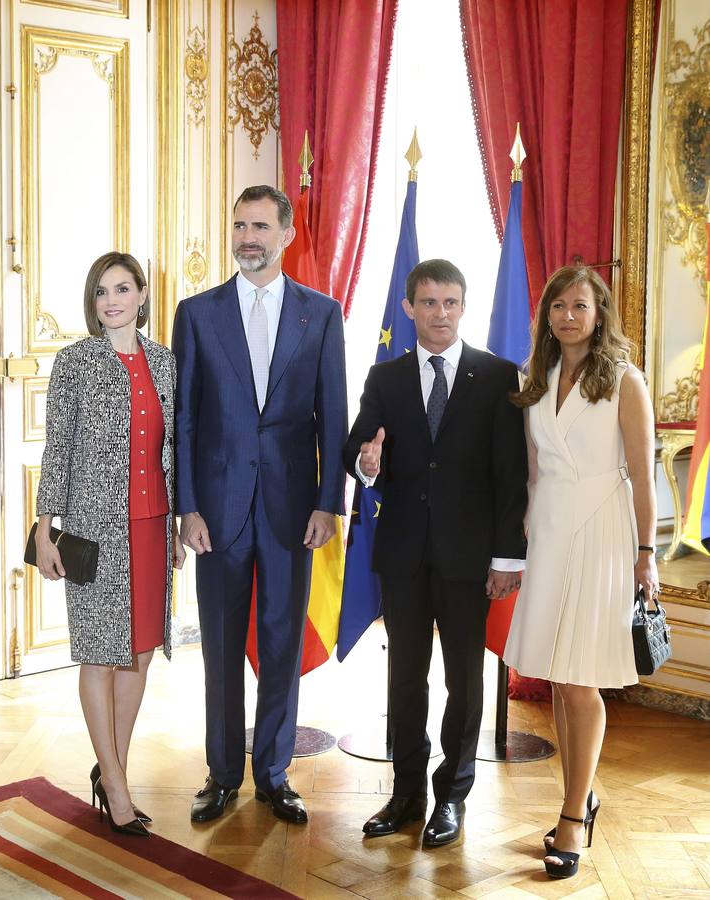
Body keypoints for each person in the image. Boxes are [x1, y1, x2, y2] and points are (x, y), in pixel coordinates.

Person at [172, 184, 347, 826]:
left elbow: (334, 415)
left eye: (261, 226)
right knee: (220, 647)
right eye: (240, 224)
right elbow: (185, 419)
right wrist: (186, 506)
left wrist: (330, 504)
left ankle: (273, 775)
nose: (249, 237)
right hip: (215, 513)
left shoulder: (322, 313)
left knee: (280, 645)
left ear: (287, 234)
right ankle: (221, 776)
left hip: (291, 509)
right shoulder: (196, 313)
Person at [345, 259, 527, 847]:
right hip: (403, 555)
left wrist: (506, 559)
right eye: (428, 303)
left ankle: (452, 794)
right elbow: (358, 445)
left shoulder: (497, 376)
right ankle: (405, 795)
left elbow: (510, 476)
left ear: (464, 306)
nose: (439, 314)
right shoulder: (385, 377)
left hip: (470, 559)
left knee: (464, 682)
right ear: (409, 309)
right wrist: (364, 465)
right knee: (405, 679)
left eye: (450, 303)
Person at [503, 265, 659, 880]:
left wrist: (646, 553)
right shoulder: (535, 379)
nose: (568, 316)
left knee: (580, 680)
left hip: (604, 532)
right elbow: (535, 468)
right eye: (558, 306)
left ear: (600, 314)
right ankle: (582, 792)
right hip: (548, 530)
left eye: (581, 306)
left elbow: (644, 478)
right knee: (558, 676)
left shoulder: (625, 380)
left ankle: (573, 816)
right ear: (546, 315)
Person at [35, 252, 185, 837]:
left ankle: (110, 769)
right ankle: (118, 788)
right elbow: (57, 449)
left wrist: (174, 529)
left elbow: (171, 451)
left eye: (123, 288)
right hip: (94, 529)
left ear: (142, 294)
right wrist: (45, 527)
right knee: (101, 653)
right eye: (102, 292)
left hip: (152, 525)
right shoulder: (75, 362)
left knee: (140, 652)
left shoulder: (166, 364)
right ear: (93, 303)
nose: (113, 300)